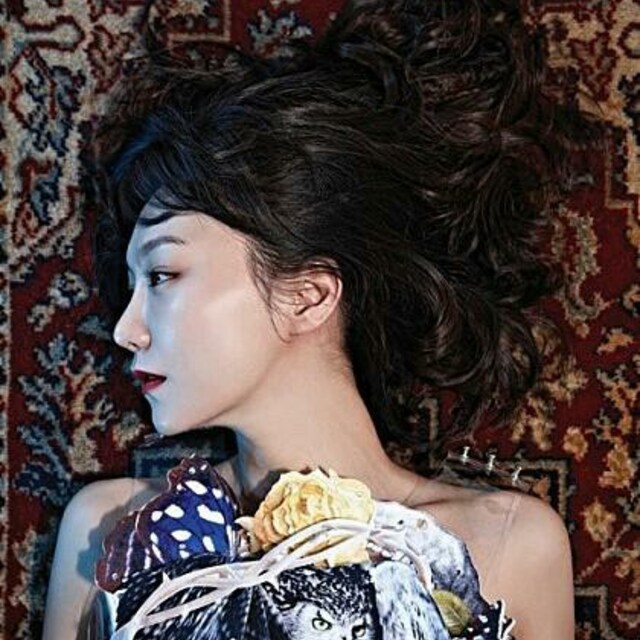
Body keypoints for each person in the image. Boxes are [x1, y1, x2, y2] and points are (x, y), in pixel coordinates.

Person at [43, 0, 600, 637]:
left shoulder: (508, 545)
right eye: (132, 285)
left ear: (308, 296)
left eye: (163, 275)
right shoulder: (106, 533)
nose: (126, 329)